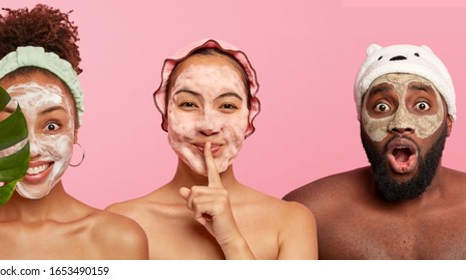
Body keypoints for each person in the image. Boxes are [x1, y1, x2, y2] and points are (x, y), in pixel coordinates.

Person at [0, 4, 148, 259]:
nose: (32, 149)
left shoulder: (120, 241)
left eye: (51, 126)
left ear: (75, 129)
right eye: (10, 126)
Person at [283, 44, 466, 259]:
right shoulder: (307, 213)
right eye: (382, 107)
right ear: (360, 122)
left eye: (421, 105)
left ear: (449, 121)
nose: (400, 123)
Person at [107, 39, 317, 259]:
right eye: (188, 104)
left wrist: (231, 239)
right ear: (166, 116)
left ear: (248, 119)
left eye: (227, 106)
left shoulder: (290, 221)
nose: (208, 126)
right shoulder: (122, 222)